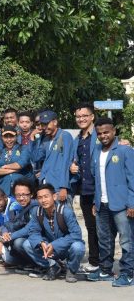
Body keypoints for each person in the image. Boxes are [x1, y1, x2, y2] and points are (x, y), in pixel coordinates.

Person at [88, 118, 134, 286]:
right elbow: (97, 180)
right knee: (105, 239)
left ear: (114, 131)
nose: (103, 136)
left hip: (122, 204)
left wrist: (132, 203)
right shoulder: (97, 150)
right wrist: (95, 201)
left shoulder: (124, 150)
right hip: (102, 204)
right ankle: (105, 270)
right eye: (99, 133)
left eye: (106, 132)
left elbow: (132, 178)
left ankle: (128, 273)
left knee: (126, 240)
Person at [23, 184, 85, 283]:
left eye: (46, 196)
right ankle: (52, 265)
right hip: (48, 249)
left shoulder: (66, 211)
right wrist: (41, 242)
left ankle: (71, 270)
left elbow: (76, 235)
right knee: (27, 244)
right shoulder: (37, 212)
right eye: (39, 198)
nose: (43, 200)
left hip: (65, 248)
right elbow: (33, 232)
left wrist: (54, 245)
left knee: (78, 247)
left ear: (54, 196)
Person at [69, 102, 100, 273]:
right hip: (85, 190)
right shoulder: (77, 139)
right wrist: (72, 167)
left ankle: (106, 263)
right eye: (78, 116)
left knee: (106, 228)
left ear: (92, 116)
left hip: (101, 190)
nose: (81, 119)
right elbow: (74, 161)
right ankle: (95, 262)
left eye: (84, 116)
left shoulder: (100, 135)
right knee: (91, 227)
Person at [0, 179, 37, 269]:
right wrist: (4, 232)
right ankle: (24, 262)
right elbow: (9, 224)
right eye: (18, 195)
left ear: (31, 194)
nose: (21, 198)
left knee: (19, 242)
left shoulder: (35, 208)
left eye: (24, 195)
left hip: (42, 241)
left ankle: (39, 264)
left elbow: (28, 229)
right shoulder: (20, 207)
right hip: (28, 238)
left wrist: (2, 239)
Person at [32, 110, 74, 203]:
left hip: (59, 186)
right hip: (47, 185)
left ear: (55, 122)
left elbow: (66, 162)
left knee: (63, 215)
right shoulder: (46, 139)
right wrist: (36, 138)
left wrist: (63, 186)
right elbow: (36, 157)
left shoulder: (64, 136)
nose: (44, 127)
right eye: (42, 124)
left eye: (46, 124)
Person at [0, 126, 31, 197]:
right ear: (2, 138)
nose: (9, 140)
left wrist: (4, 167)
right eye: (6, 137)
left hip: (22, 190)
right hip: (4, 189)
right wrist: (16, 170)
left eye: (11, 137)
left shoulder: (23, 149)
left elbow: (20, 164)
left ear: (16, 137)